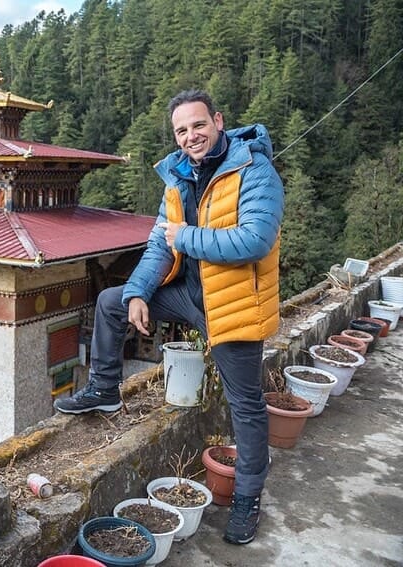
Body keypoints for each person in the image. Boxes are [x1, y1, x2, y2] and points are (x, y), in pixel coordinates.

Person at [54, 89, 284, 545]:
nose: (191, 136)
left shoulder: (255, 170)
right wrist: (139, 291)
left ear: (218, 121)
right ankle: (104, 389)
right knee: (112, 301)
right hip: (186, 295)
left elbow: (255, 240)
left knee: (246, 406)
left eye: (198, 125)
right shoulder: (178, 177)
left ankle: (247, 498)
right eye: (182, 130)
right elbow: (162, 244)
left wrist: (188, 237)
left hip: (232, 303)